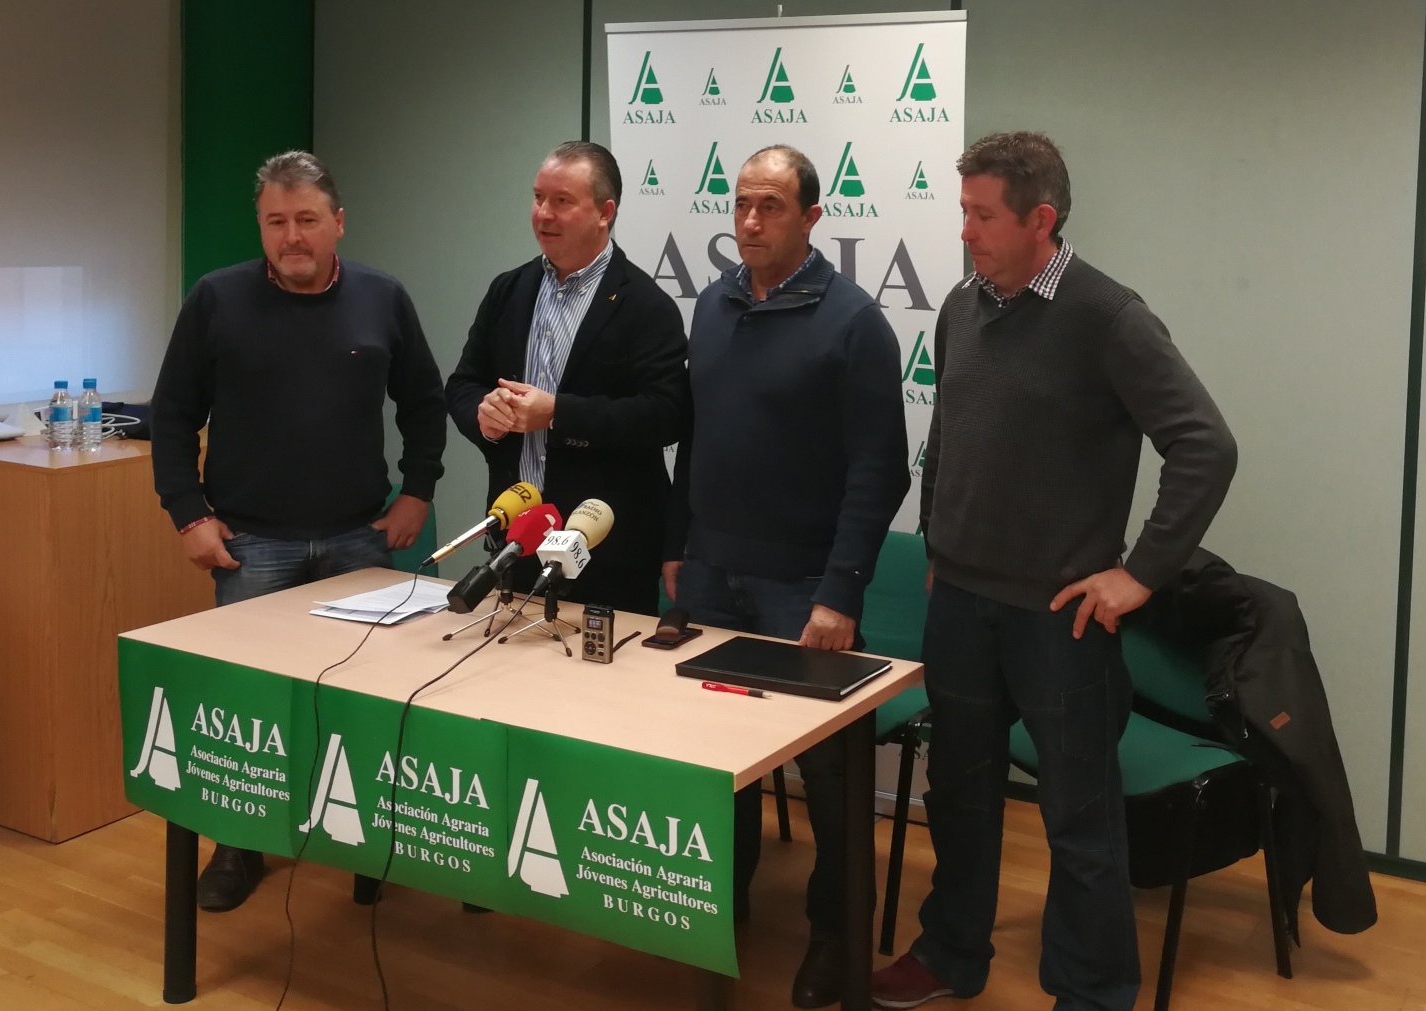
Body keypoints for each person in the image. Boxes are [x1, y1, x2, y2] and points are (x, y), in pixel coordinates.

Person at [872, 132, 1237, 1011]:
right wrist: (937, 544)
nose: (965, 230)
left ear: (1040, 219)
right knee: (959, 794)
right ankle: (950, 952)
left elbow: (1204, 445)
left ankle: (1093, 991)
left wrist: (1139, 574)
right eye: (962, 211)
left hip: (1059, 620)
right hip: (959, 604)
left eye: (981, 215)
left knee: (1078, 817)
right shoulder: (961, 306)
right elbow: (946, 438)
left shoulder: (1107, 317)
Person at [150, 150, 449, 913]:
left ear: (338, 222)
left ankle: (367, 842)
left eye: (307, 219)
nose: (292, 236)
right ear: (260, 226)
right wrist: (188, 512)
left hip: (359, 541)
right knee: (245, 708)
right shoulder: (216, 299)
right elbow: (173, 414)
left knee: (364, 701)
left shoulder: (382, 297)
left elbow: (424, 402)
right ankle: (237, 845)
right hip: (251, 544)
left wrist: (417, 490)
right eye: (276, 221)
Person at [662, 145, 910, 1009]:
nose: (750, 220)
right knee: (711, 759)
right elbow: (696, 434)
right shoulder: (714, 304)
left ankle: (835, 937)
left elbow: (879, 469)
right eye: (740, 203)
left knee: (830, 780)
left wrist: (841, 590)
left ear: (810, 218)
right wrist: (678, 541)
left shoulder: (853, 323)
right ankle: (716, 910)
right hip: (710, 575)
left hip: (803, 584)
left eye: (770, 205)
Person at [447, 141, 688, 616]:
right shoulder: (509, 290)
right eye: (538, 198)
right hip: (517, 539)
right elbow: (462, 384)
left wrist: (558, 413)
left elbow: (666, 414)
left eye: (561, 201)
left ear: (604, 213)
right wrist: (484, 415)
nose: (543, 214)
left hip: (607, 550)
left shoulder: (645, 305)